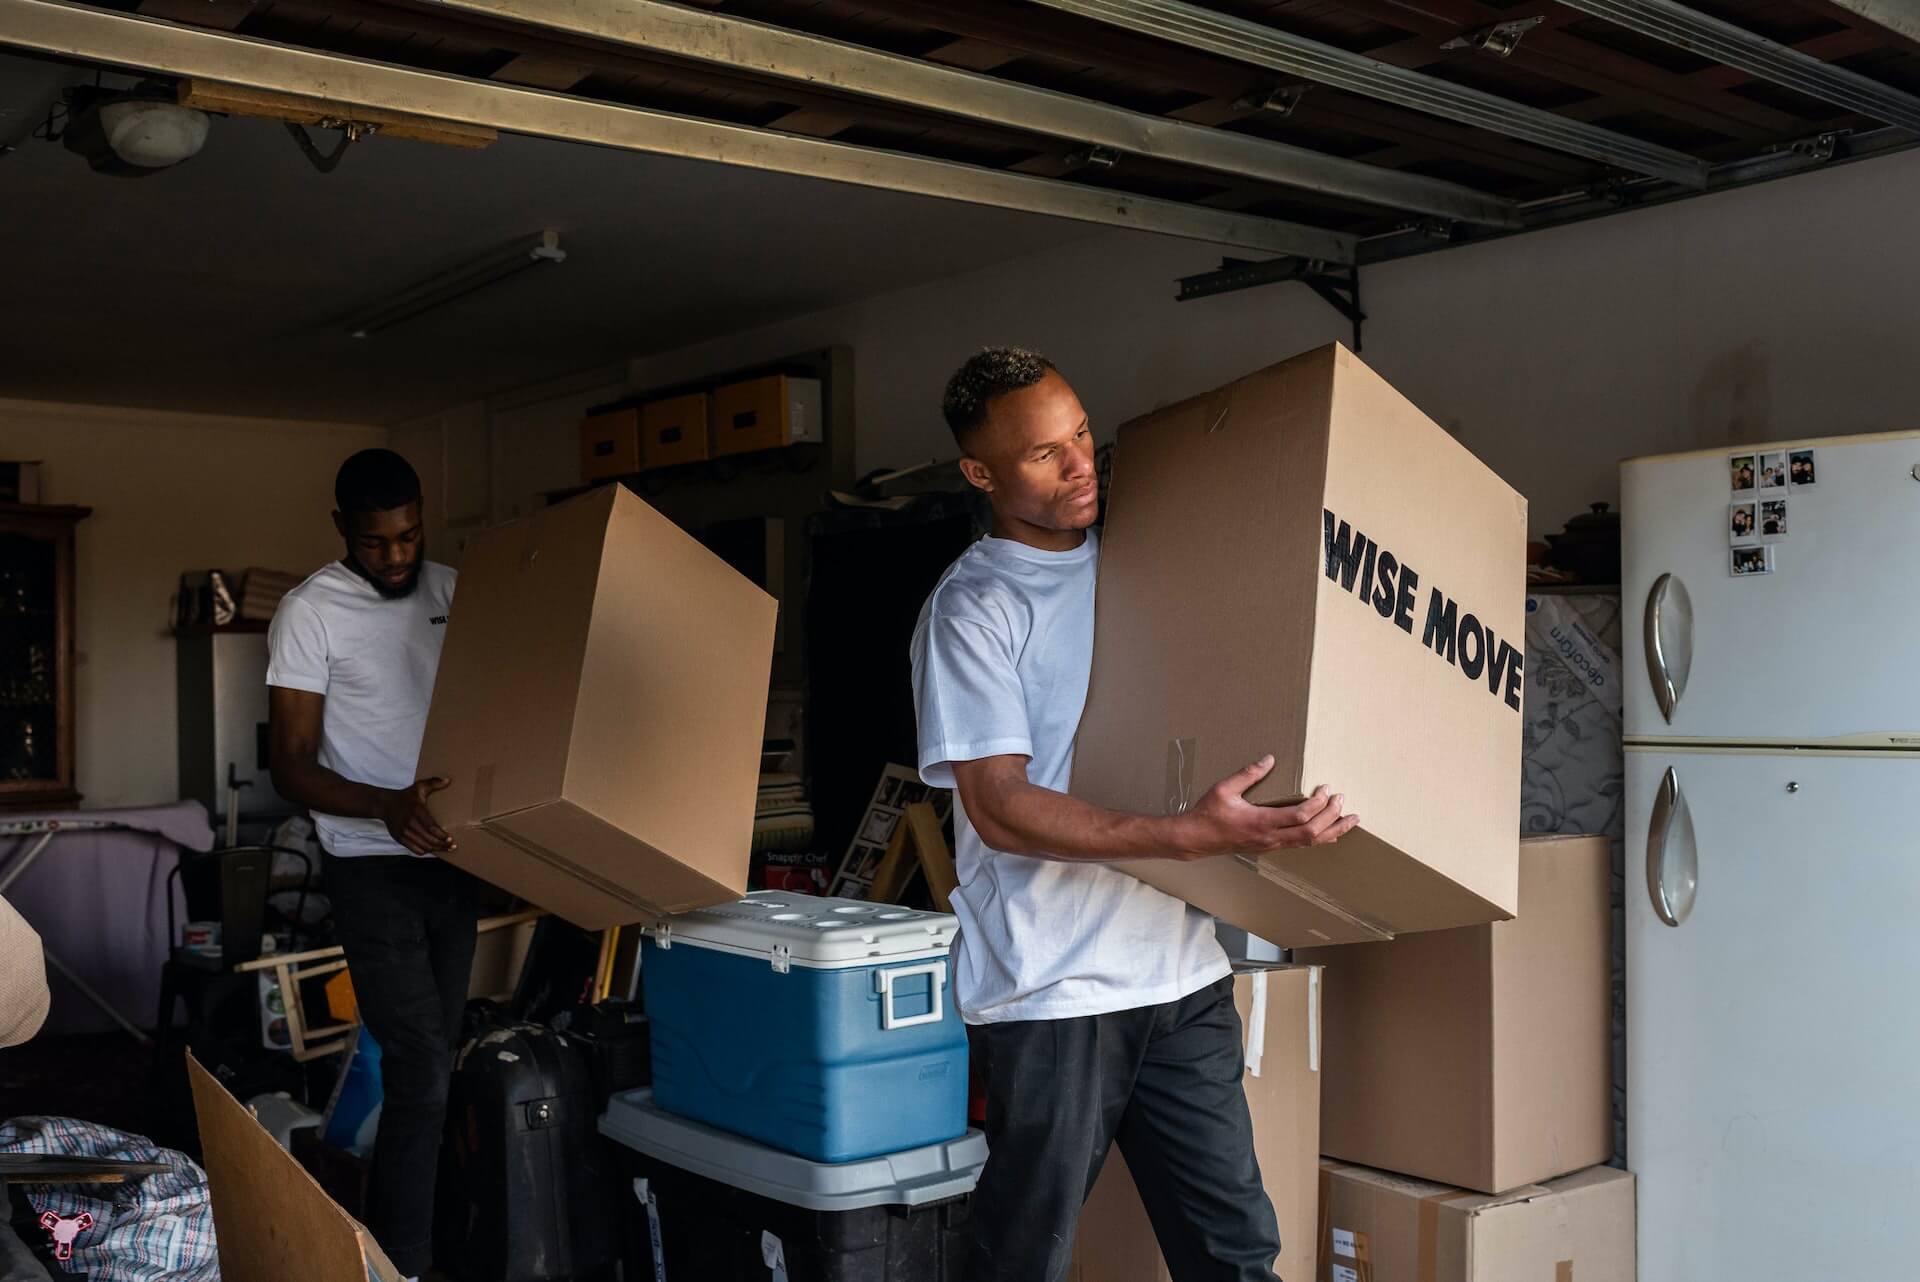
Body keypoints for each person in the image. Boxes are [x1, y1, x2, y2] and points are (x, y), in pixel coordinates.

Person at [911, 349, 1359, 1282]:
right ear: (982, 475)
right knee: (1021, 1261)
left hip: (1179, 971)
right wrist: (1191, 835)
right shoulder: (974, 611)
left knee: (1237, 1254)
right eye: (1045, 454)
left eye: (1082, 435)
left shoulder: (1146, 560)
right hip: (1054, 990)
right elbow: (1001, 810)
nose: (1080, 466)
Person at [266, 449, 471, 1282]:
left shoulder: (454, 590)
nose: (396, 557)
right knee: (420, 1058)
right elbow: (291, 764)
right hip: (367, 861)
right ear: (342, 529)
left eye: (410, 537)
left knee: (440, 1053)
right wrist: (387, 805)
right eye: (376, 542)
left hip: (452, 854)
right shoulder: (309, 612)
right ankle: (399, 1259)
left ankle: (426, 1229)